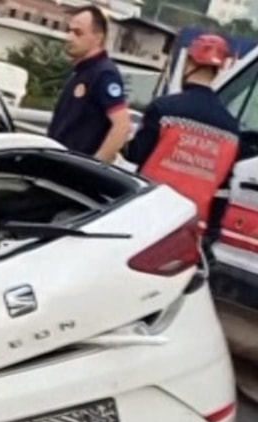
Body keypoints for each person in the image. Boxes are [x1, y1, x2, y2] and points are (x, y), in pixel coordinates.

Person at [122, 34, 240, 256]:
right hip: (187, 228)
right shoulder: (231, 128)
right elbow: (222, 191)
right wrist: (212, 233)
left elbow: (136, 153)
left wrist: (122, 140)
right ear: (218, 70)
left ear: (189, 62)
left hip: (147, 217)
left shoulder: (164, 108)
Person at [47, 5, 132, 163]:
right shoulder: (81, 72)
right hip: (60, 162)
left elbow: (122, 125)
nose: (69, 37)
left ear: (98, 38)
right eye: (69, 31)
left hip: (75, 168)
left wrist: (95, 164)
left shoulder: (104, 74)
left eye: (78, 33)